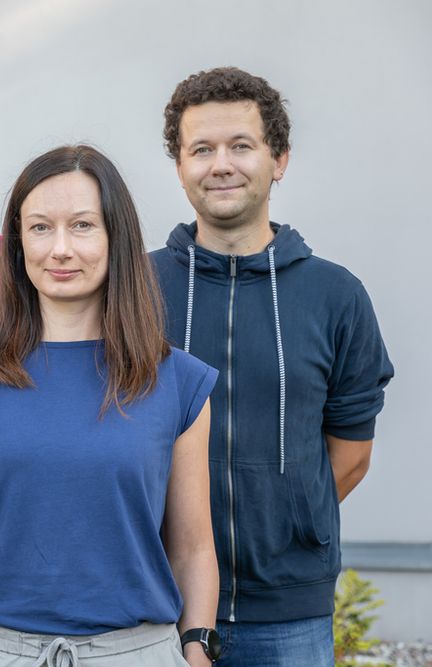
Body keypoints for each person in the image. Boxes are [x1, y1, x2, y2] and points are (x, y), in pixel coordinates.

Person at [0, 144, 220, 667]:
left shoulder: (178, 381)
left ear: (115, 238)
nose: (59, 249)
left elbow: (192, 548)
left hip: (137, 653)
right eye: (39, 227)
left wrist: (195, 651)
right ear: (17, 242)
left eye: (81, 225)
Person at [151, 67, 394, 666]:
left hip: (289, 615)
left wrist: (290, 517)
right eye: (201, 149)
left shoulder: (336, 295)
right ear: (180, 166)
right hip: (155, 601)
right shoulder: (136, 288)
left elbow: (351, 452)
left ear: (278, 159)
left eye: (241, 146)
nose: (221, 164)